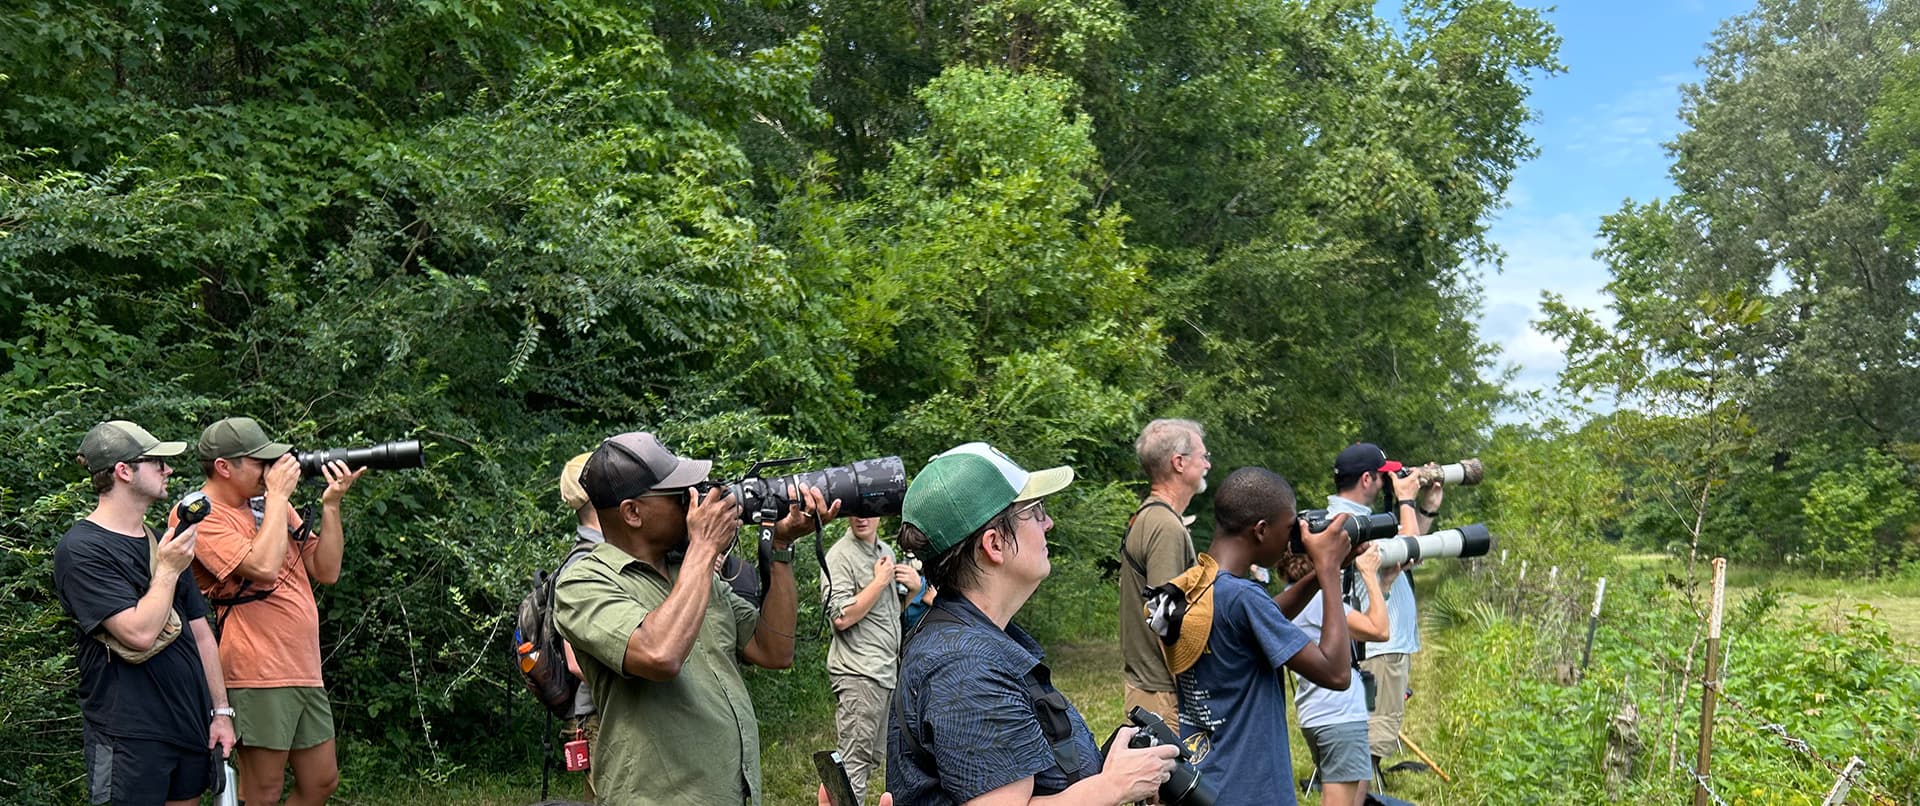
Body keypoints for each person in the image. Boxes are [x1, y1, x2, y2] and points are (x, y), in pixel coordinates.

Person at [553, 431, 836, 806]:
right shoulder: (583, 583)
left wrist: (781, 547)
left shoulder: (688, 574)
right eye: (678, 495)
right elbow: (659, 654)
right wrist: (703, 548)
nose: (696, 502)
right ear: (632, 513)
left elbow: (774, 650)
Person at [888, 441, 1179, 806]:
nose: (1049, 523)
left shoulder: (974, 637)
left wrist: (1109, 769)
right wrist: (1114, 786)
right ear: (994, 545)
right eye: (1035, 511)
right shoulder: (966, 667)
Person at [53, 420, 238, 806]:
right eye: (157, 462)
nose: (168, 470)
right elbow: (137, 633)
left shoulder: (162, 540)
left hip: (189, 725)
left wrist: (221, 712)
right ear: (124, 471)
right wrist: (168, 569)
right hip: (128, 737)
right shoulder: (81, 549)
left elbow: (201, 632)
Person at [185, 416, 364, 806]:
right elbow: (263, 569)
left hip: (303, 667)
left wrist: (330, 505)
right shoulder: (203, 514)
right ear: (223, 466)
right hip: (257, 670)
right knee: (262, 791)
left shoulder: (267, 506)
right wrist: (279, 497)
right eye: (259, 462)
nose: (270, 471)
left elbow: (326, 569)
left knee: (321, 781)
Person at [1156, 467, 1356, 806]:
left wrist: (1326, 571)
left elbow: (1259, 619)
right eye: (1290, 528)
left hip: (1205, 782)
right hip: (1253, 789)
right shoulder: (1243, 598)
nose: (1293, 539)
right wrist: (1327, 572)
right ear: (1261, 530)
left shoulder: (1191, 587)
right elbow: (1336, 674)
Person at [1326, 442, 1442, 768]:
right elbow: (1408, 549)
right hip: (1379, 645)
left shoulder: (1355, 519)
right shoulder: (1351, 523)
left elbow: (1408, 555)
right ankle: (1361, 790)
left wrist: (1427, 508)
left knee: (1375, 728)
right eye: (1383, 476)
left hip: (1381, 643)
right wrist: (1406, 498)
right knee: (1376, 731)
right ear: (1366, 479)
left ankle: (1357, 783)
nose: (1387, 483)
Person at [1280, 538, 1393, 805]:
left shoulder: (1293, 597)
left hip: (1322, 713)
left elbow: (1361, 627)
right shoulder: (1318, 599)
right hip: (1338, 716)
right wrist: (1368, 573)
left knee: (1357, 798)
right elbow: (1379, 630)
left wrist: (1384, 583)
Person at [1117, 419, 1211, 730]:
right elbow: (1164, 617)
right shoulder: (1165, 526)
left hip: (1150, 691)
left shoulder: (1151, 516)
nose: (1208, 464)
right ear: (1179, 463)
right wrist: (1190, 696)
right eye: (1203, 456)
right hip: (1162, 696)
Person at [822, 515, 919, 804]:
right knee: (853, 765)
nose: (861, 517)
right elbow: (841, 617)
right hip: (858, 673)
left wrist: (913, 591)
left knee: (870, 761)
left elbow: (885, 613)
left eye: (868, 509)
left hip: (885, 672)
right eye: (854, 509)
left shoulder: (885, 552)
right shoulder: (839, 556)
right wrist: (879, 582)